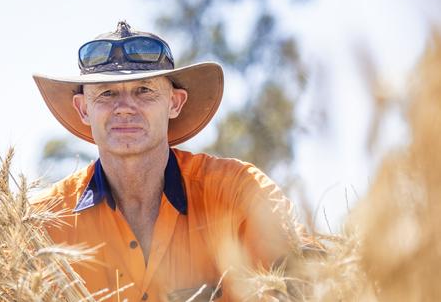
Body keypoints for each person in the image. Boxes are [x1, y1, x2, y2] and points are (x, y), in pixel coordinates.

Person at [31, 21, 304, 302]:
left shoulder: (238, 193)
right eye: (107, 93)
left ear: (174, 102)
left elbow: (307, 281)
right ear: (83, 109)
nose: (124, 107)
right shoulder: (42, 224)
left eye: (144, 91)